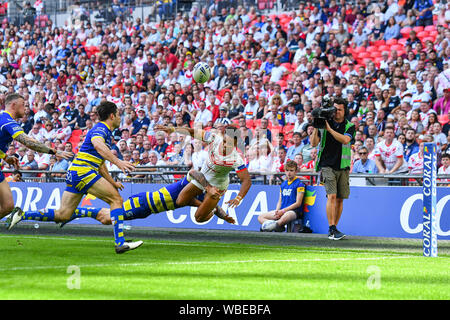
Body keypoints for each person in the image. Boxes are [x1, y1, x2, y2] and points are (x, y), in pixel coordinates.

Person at [8, 101, 141, 254]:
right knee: (116, 200)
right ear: (112, 115)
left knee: (63, 214)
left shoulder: (101, 130)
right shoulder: (102, 129)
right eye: (118, 115)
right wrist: (118, 162)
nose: (120, 118)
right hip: (84, 172)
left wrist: (112, 182)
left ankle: (22, 214)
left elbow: (100, 163)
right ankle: (120, 242)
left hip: (75, 172)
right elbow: (98, 145)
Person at [58, 169, 235, 227]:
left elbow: (212, 207)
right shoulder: (196, 185)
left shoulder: (202, 194)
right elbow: (192, 173)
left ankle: (74, 213)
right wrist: (206, 197)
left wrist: (224, 216)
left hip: (147, 209)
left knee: (107, 217)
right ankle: (74, 213)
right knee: (107, 218)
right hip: (145, 202)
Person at [154, 124, 252, 223]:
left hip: (217, 186)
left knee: (199, 218)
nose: (226, 145)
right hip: (202, 179)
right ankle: (213, 208)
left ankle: (211, 209)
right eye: (225, 141)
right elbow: (192, 132)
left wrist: (239, 198)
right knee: (180, 201)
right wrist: (173, 129)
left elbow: (246, 180)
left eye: (230, 144)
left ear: (235, 144)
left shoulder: (236, 159)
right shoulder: (214, 139)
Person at [0, 94, 72, 220]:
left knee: (7, 206)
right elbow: (27, 141)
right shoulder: (6, 120)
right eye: (23, 105)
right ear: (13, 105)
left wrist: (6, 157)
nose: (26, 108)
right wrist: (53, 151)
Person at [311, 98, 356, 240]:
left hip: (342, 165)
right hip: (326, 164)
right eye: (334, 109)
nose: (336, 112)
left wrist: (329, 129)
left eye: (339, 110)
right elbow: (313, 143)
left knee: (340, 199)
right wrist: (316, 126)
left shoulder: (350, 126)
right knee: (331, 195)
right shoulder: (325, 123)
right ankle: (331, 228)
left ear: (345, 111)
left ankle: (334, 228)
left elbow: (345, 140)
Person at [258, 160, 305, 232]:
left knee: (286, 217)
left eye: (291, 170)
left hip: (294, 211)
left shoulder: (299, 184)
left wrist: (283, 211)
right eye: (287, 170)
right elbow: (280, 200)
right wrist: (277, 211)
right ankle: (276, 227)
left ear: (295, 172)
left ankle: (269, 227)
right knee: (260, 217)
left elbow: (298, 203)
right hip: (282, 210)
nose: (289, 173)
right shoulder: (283, 184)